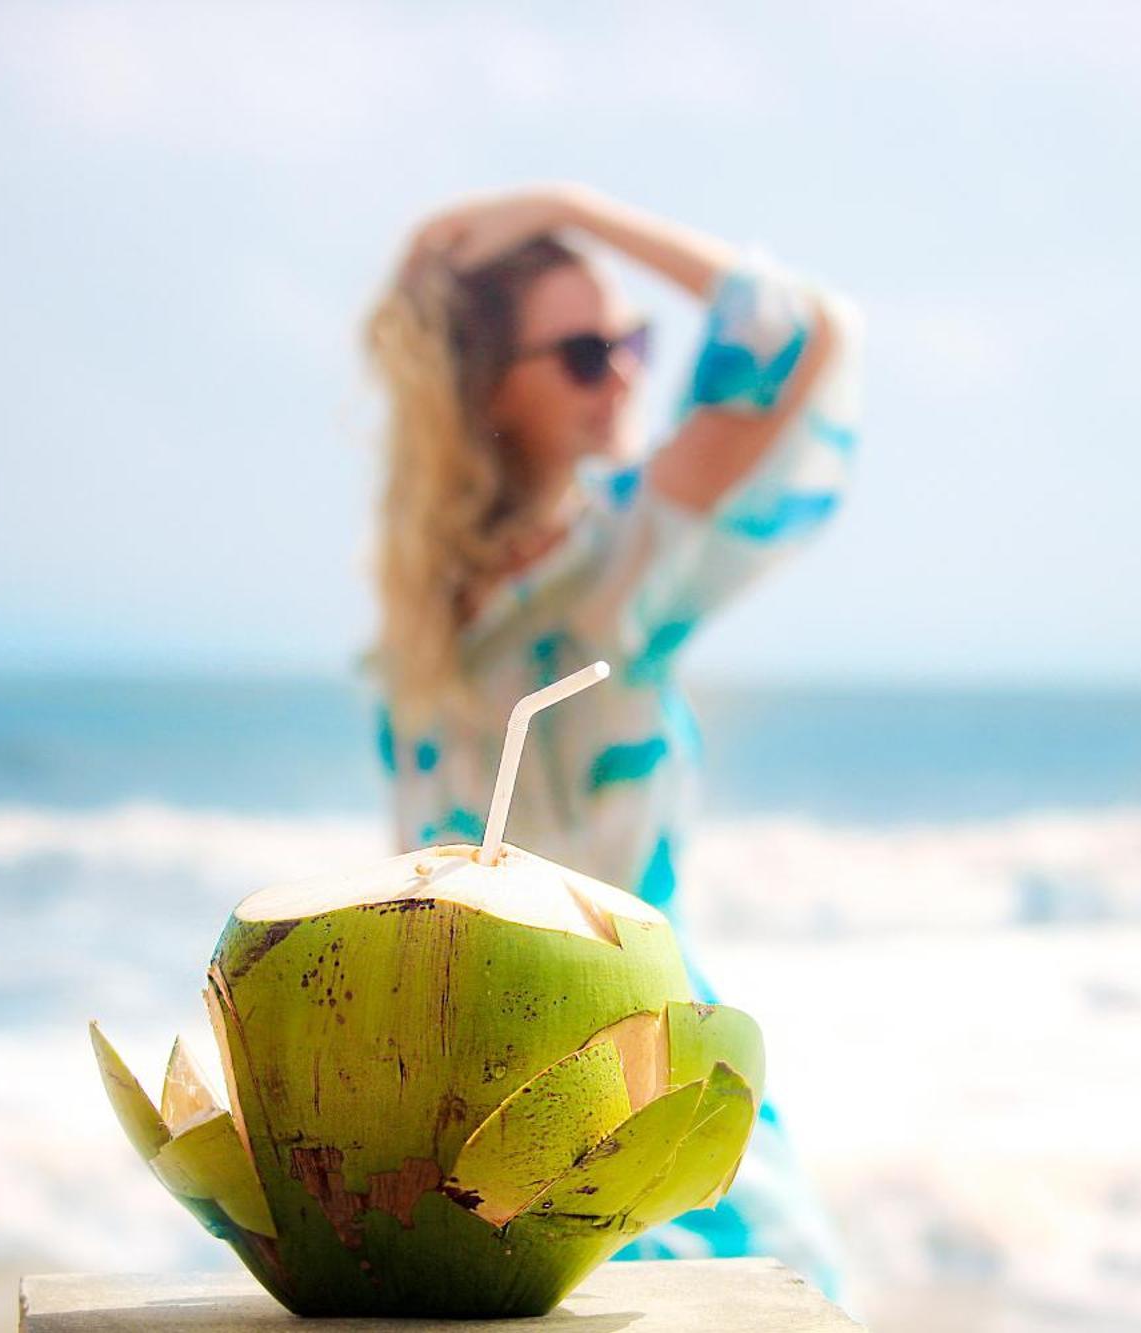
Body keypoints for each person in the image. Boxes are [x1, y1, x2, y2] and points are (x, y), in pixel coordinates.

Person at [362, 184, 860, 1298]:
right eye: (583, 351)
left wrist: (562, 204)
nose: (629, 370)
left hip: (644, 1088)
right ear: (483, 388)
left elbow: (803, 335)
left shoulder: (621, 556)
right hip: (460, 1104)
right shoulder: (430, 607)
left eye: (632, 339)